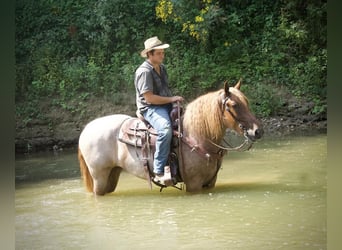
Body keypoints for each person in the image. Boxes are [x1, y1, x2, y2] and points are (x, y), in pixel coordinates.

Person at [134, 36, 184, 186]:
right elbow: (149, 98)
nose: (162, 55)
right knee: (165, 129)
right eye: (159, 53)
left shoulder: (162, 68)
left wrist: (174, 102)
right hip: (150, 107)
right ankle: (158, 169)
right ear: (149, 54)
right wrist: (171, 100)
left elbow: (164, 91)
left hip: (164, 104)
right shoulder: (144, 72)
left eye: (163, 52)